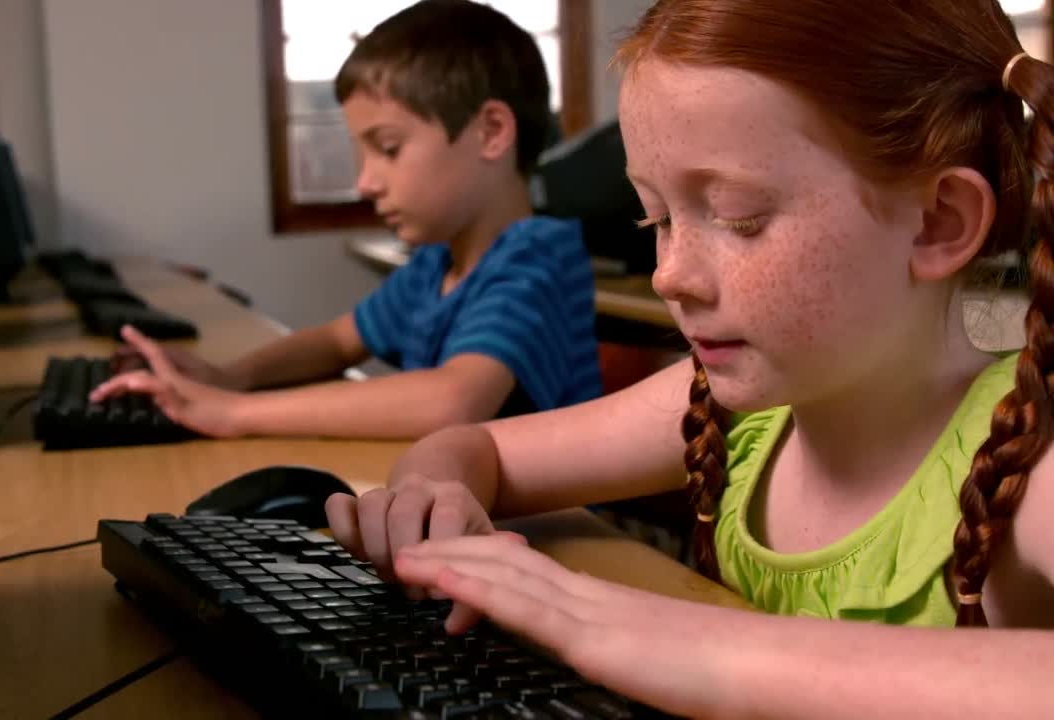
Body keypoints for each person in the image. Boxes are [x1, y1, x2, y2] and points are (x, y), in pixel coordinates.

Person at [325, 1, 1054, 716]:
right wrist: (435, 497)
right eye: (658, 218)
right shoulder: (723, 405)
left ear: (938, 222)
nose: (669, 274)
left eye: (740, 217)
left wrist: (708, 650)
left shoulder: (1028, 463)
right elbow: (473, 445)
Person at [89, 0, 601, 439]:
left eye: (388, 148)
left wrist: (234, 413)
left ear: (491, 132)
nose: (366, 183)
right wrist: (228, 378)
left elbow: (453, 400)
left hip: (559, 533)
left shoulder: (537, 258)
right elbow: (336, 341)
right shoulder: (436, 266)